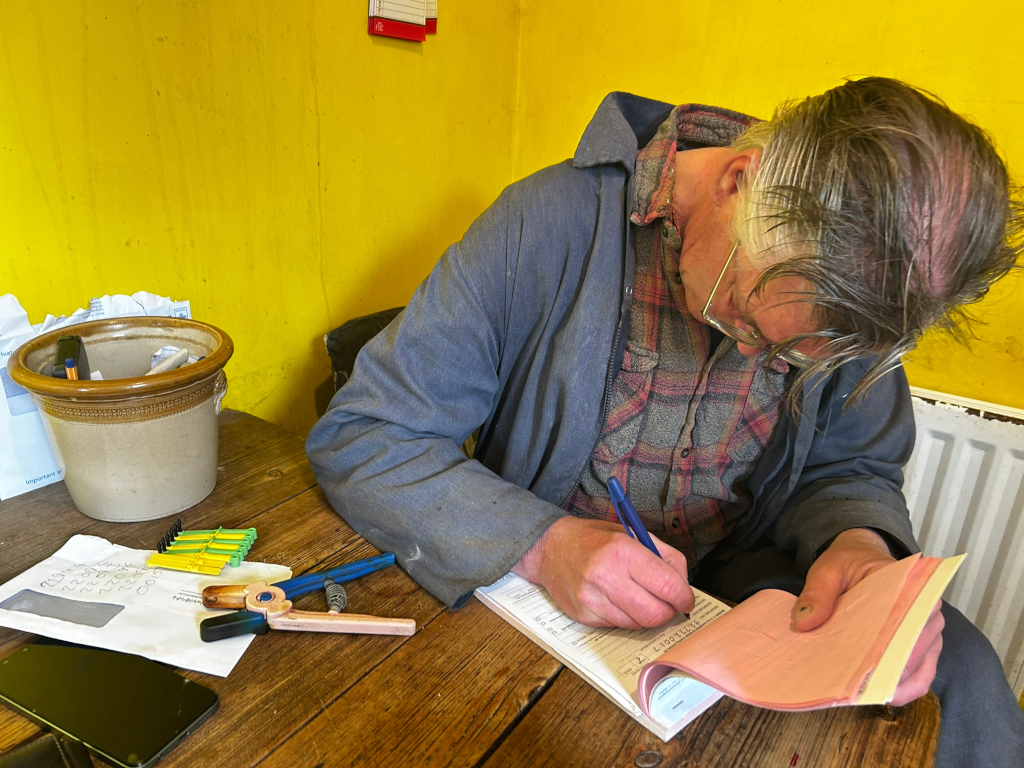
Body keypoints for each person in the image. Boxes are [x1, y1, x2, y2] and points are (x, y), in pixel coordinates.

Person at [306, 78, 1024, 766]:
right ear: (740, 178)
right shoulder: (546, 225)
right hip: (548, 599)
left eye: (782, 356)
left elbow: (850, 467)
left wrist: (858, 542)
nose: (748, 353)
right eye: (739, 312)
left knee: (958, 670)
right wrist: (542, 543)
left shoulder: (848, 291)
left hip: (742, 583)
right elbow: (367, 433)